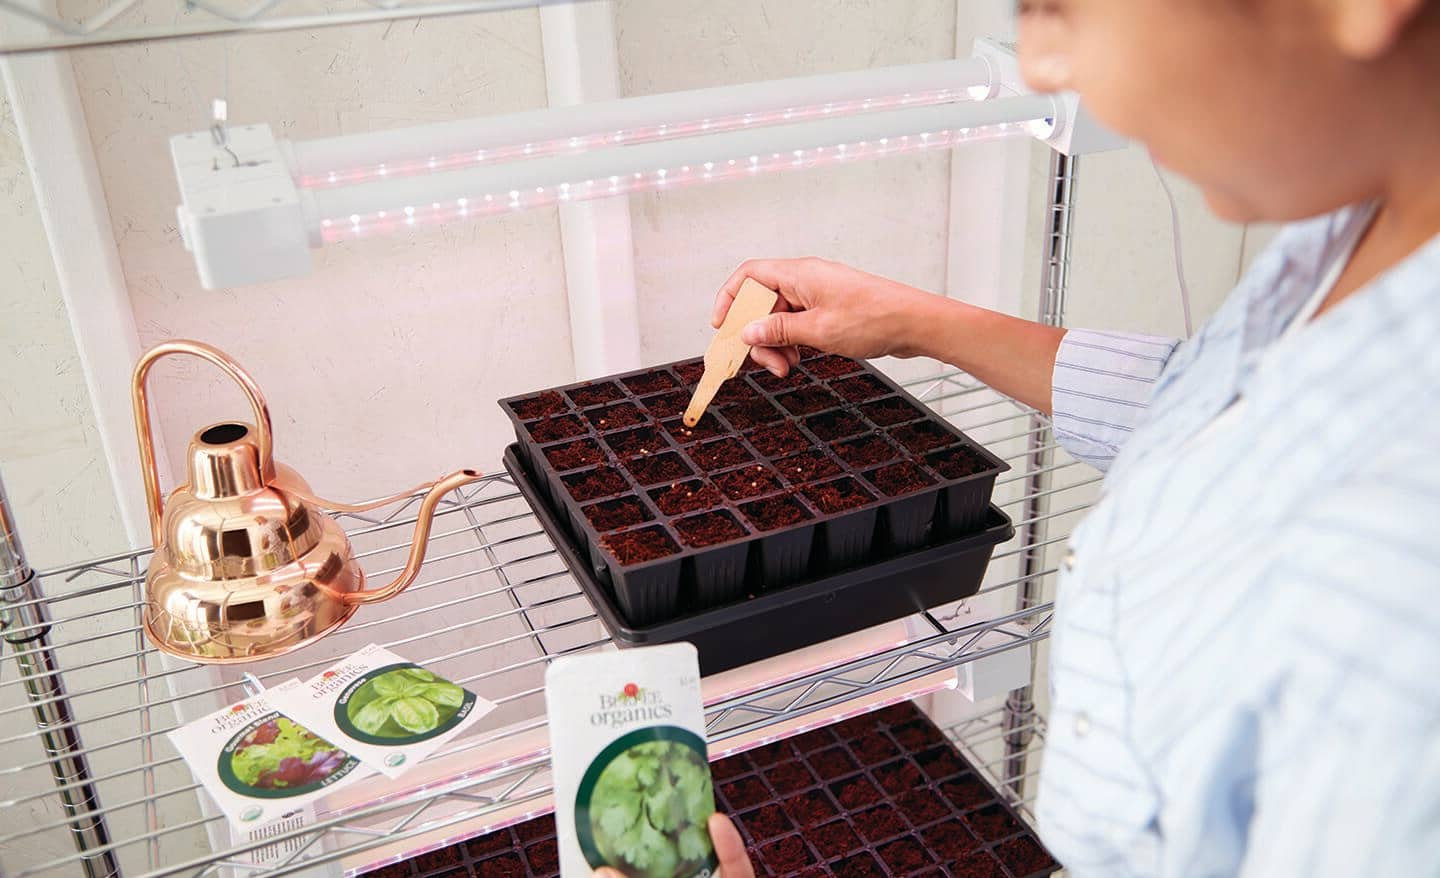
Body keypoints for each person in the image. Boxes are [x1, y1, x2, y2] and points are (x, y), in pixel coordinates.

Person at [672, 0, 1440, 875]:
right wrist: (914, 321)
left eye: (1056, 5)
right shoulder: (1356, 229)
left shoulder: (1407, 559)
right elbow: (1209, 406)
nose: (1037, 65)